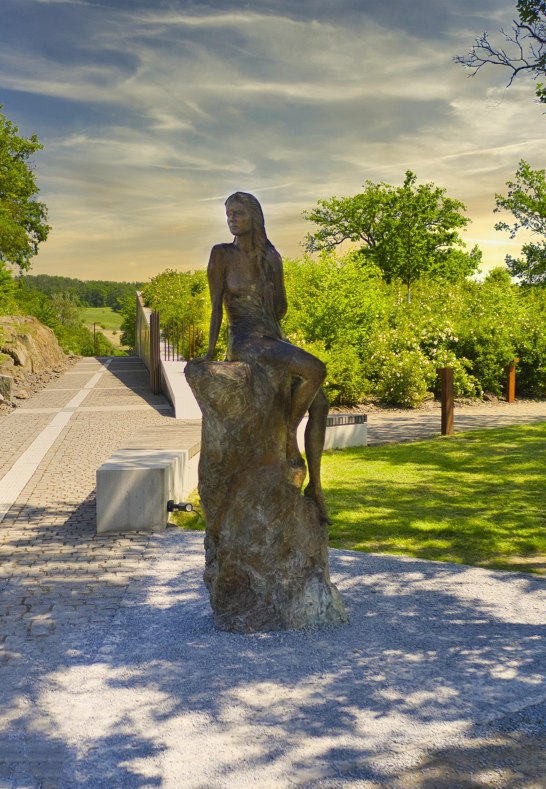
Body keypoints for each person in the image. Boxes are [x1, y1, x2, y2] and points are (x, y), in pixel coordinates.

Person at [204, 191, 331, 523]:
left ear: (254, 217)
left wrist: (272, 281)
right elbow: (216, 308)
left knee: (321, 404)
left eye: (238, 213)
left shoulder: (270, 256)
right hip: (246, 341)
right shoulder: (222, 255)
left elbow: (280, 310)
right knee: (316, 370)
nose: (232, 219)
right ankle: (288, 436)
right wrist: (209, 354)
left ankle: (315, 488)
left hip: (272, 339)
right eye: (228, 213)